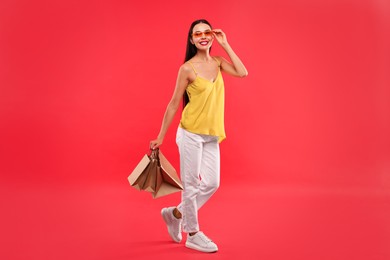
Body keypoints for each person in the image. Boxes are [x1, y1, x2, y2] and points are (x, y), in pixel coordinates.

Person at [150, 19, 248, 253]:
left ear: (212, 36)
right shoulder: (187, 68)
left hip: (212, 134)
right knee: (191, 185)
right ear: (192, 40)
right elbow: (174, 104)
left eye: (207, 32)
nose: (203, 36)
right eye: (197, 34)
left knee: (212, 183)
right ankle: (192, 234)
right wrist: (161, 136)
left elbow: (243, 73)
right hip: (190, 133)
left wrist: (226, 44)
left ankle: (174, 214)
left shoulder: (219, 62)